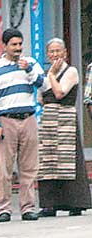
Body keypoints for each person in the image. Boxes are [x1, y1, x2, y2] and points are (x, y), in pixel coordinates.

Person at [0, 28, 44, 222]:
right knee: (4, 167)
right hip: (6, 120)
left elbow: (43, 85)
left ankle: (28, 207)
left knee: (29, 166)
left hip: (28, 117)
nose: (18, 48)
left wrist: (28, 69)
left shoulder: (31, 63)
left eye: (20, 44)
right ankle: (4, 208)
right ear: (4, 46)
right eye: (14, 44)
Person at [37, 38, 91, 216]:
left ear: (65, 52)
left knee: (68, 160)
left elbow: (60, 92)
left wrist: (52, 75)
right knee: (49, 161)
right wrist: (49, 75)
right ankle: (50, 204)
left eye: (58, 51)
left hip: (65, 118)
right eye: (51, 52)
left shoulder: (71, 71)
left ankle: (74, 202)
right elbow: (40, 98)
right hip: (49, 120)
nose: (54, 55)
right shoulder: (46, 73)